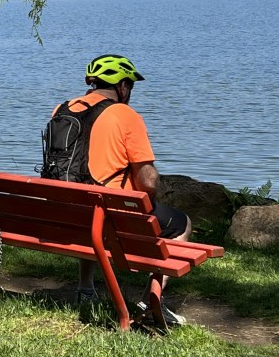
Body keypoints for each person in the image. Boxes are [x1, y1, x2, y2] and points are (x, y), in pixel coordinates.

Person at [67, 54, 192, 327]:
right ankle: (150, 302)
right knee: (182, 224)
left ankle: (85, 289)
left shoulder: (64, 109)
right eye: (131, 86)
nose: (130, 92)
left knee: (87, 205)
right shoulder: (125, 115)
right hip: (112, 215)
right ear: (122, 86)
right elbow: (147, 180)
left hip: (68, 211)